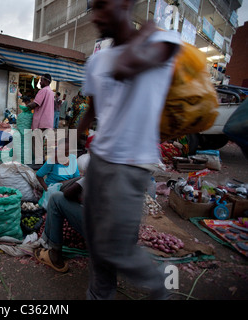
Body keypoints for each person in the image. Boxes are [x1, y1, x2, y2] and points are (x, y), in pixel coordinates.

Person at [78, 0, 181, 300]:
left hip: (131, 166)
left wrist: (144, 30)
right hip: (100, 162)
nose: (95, 17)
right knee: (97, 246)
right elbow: (93, 108)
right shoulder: (96, 61)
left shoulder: (163, 41)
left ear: (125, 3)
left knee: (115, 248)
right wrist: (71, 141)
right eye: (92, 9)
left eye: (101, 6)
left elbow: (126, 69)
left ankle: (162, 288)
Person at [34, 177, 85, 273]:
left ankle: (54, 255)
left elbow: (68, 193)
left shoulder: (99, 170)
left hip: (99, 230)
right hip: (117, 232)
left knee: (55, 198)